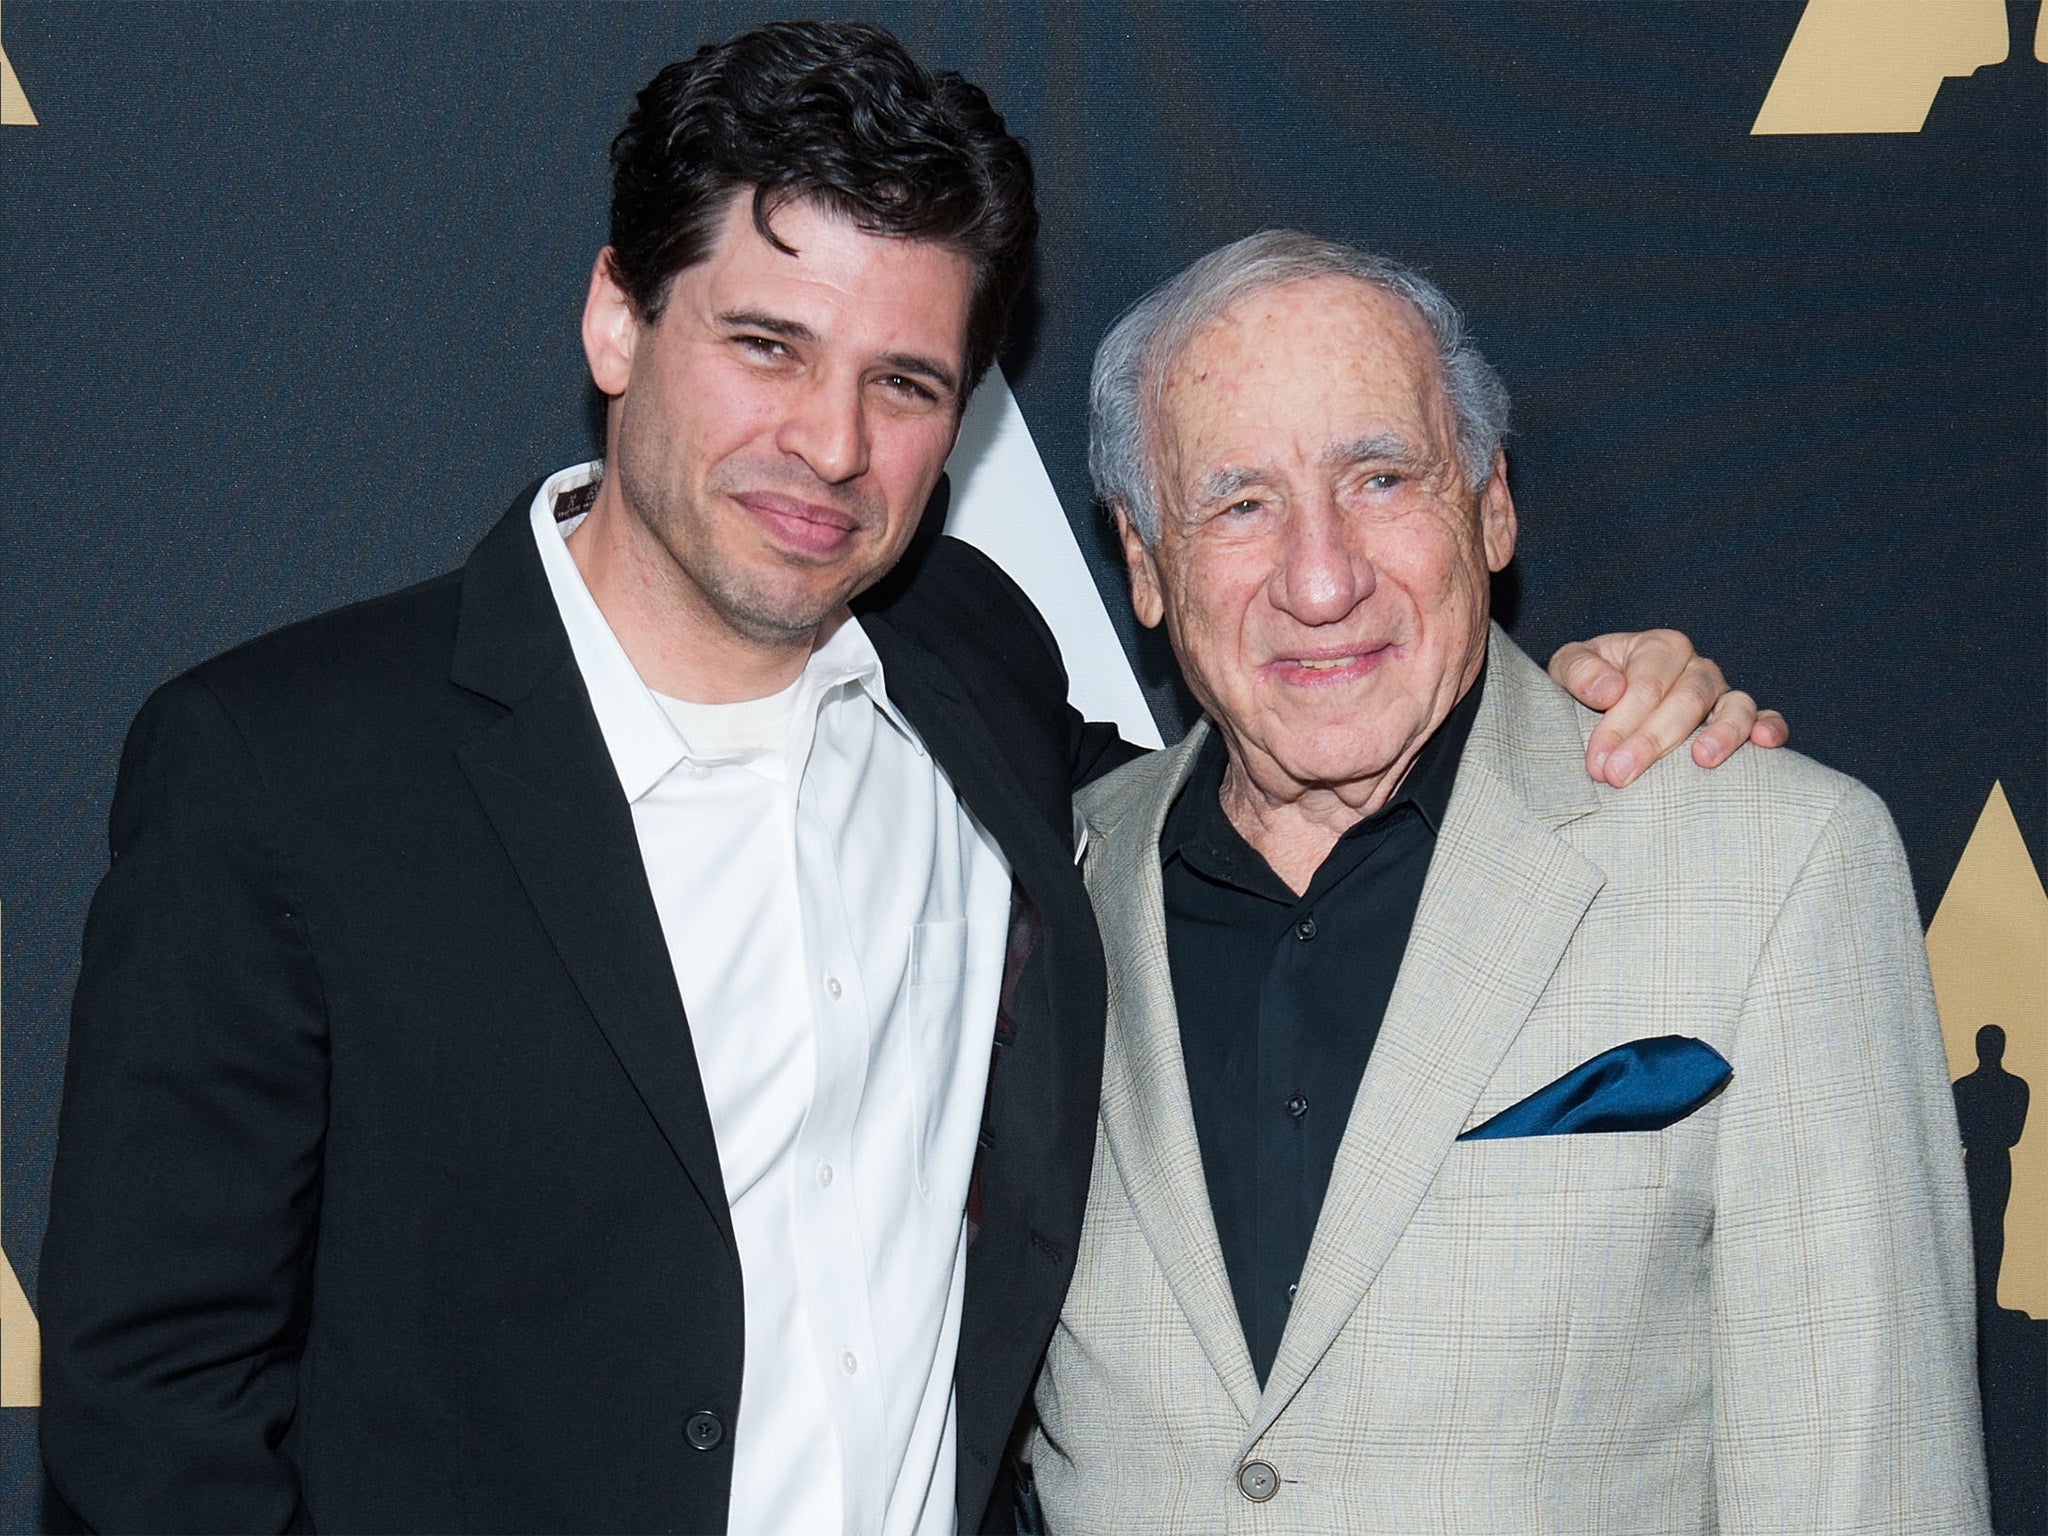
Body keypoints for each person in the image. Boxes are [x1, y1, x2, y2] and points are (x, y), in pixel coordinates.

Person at [39, 24, 1773, 1536]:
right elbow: (156, 1412)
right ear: (616, 318)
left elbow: (1269, 771)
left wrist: (1588, 706)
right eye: (767, 346)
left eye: (907, 383)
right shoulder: (283, 769)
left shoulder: (981, 674)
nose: (832, 448)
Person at [1026, 231, 1986, 1534]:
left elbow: (1872, 1489)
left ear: (1490, 504)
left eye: (1379, 478)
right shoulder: (1027, 899)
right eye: (1240, 503)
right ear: (1143, 562)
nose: (1322, 578)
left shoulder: (1774, 869)